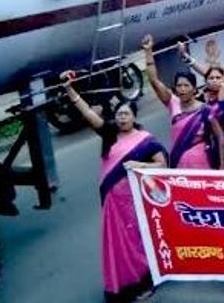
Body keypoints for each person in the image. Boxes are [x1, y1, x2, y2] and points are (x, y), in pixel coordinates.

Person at [62, 71, 167, 303]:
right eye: (119, 113)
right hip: (111, 200)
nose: (121, 118)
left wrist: (138, 164)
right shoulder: (109, 134)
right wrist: (70, 91)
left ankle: (144, 281)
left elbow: (162, 164)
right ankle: (120, 285)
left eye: (126, 114)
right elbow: (89, 114)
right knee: (116, 243)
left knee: (135, 241)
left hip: (133, 200)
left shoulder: (145, 140)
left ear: (134, 116)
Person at [142, 35, 224, 169]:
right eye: (179, 86)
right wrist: (148, 52)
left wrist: (222, 166)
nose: (182, 89)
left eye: (186, 86)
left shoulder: (205, 109)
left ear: (194, 89)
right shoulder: (172, 103)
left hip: (203, 164)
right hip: (179, 163)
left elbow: (220, 137)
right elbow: (154, 81)